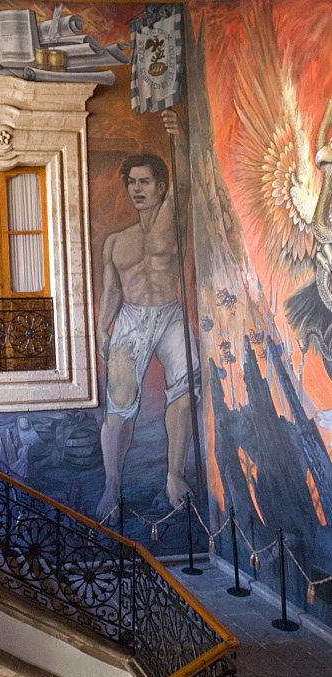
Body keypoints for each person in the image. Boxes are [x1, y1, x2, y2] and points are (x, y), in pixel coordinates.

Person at [95, 109, 200, 522]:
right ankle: (112, 486)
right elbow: (111, 293)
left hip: (170, 314)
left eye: (145, 183)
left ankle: (174, 476)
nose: (137, 190)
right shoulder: (116, 242)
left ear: (160, 187)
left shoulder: (173, 220)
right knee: (119, 405)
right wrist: (105, 332)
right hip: (131, 319)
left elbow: (187, 181)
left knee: (185, 388)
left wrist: (182, 137)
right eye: (132, 183)